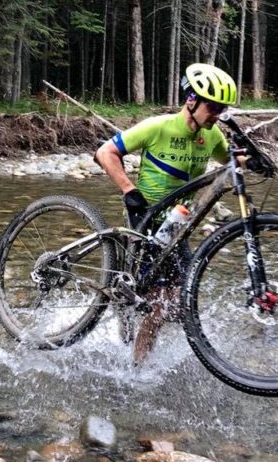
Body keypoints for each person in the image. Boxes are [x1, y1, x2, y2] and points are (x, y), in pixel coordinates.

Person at [95, 63, 237, 363]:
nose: (217, 114)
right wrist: (128, 190)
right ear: (191, 100)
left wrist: (252, 159)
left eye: (222, 109)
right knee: (161, 301)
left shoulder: (211, 136)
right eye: (213, 106)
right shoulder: (157, 126)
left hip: (176, 229)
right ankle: (137, 367)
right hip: (144, 221)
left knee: (181, 298)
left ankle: (136, 344)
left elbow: (233, 161)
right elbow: (105, 152)